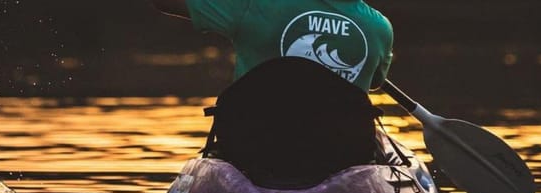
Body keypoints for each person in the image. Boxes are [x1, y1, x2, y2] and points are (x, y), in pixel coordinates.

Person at [151, 0, 394, 92]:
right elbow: (374, 83)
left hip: (254, 143)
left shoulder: (253, 6)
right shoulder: (379, 28)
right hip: (341, 150)